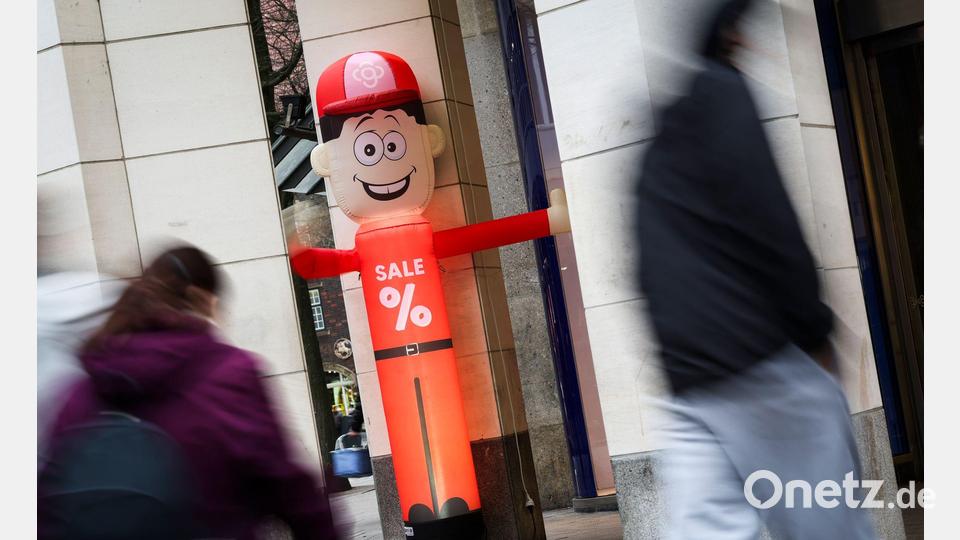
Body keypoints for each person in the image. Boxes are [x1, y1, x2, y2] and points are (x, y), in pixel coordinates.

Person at [636, 1, 876, 538]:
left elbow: (644, 272)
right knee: (827, 521)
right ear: (731, 35)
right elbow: (769, 221)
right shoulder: (724, 96)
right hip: (757, 362)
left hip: (688, 380)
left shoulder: (658, 144)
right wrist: (816, 333)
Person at [39, 246, 338, 540]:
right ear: (202, 299)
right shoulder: (226, 372)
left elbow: (49, 494)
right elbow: (283, 481)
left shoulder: (86, 382)